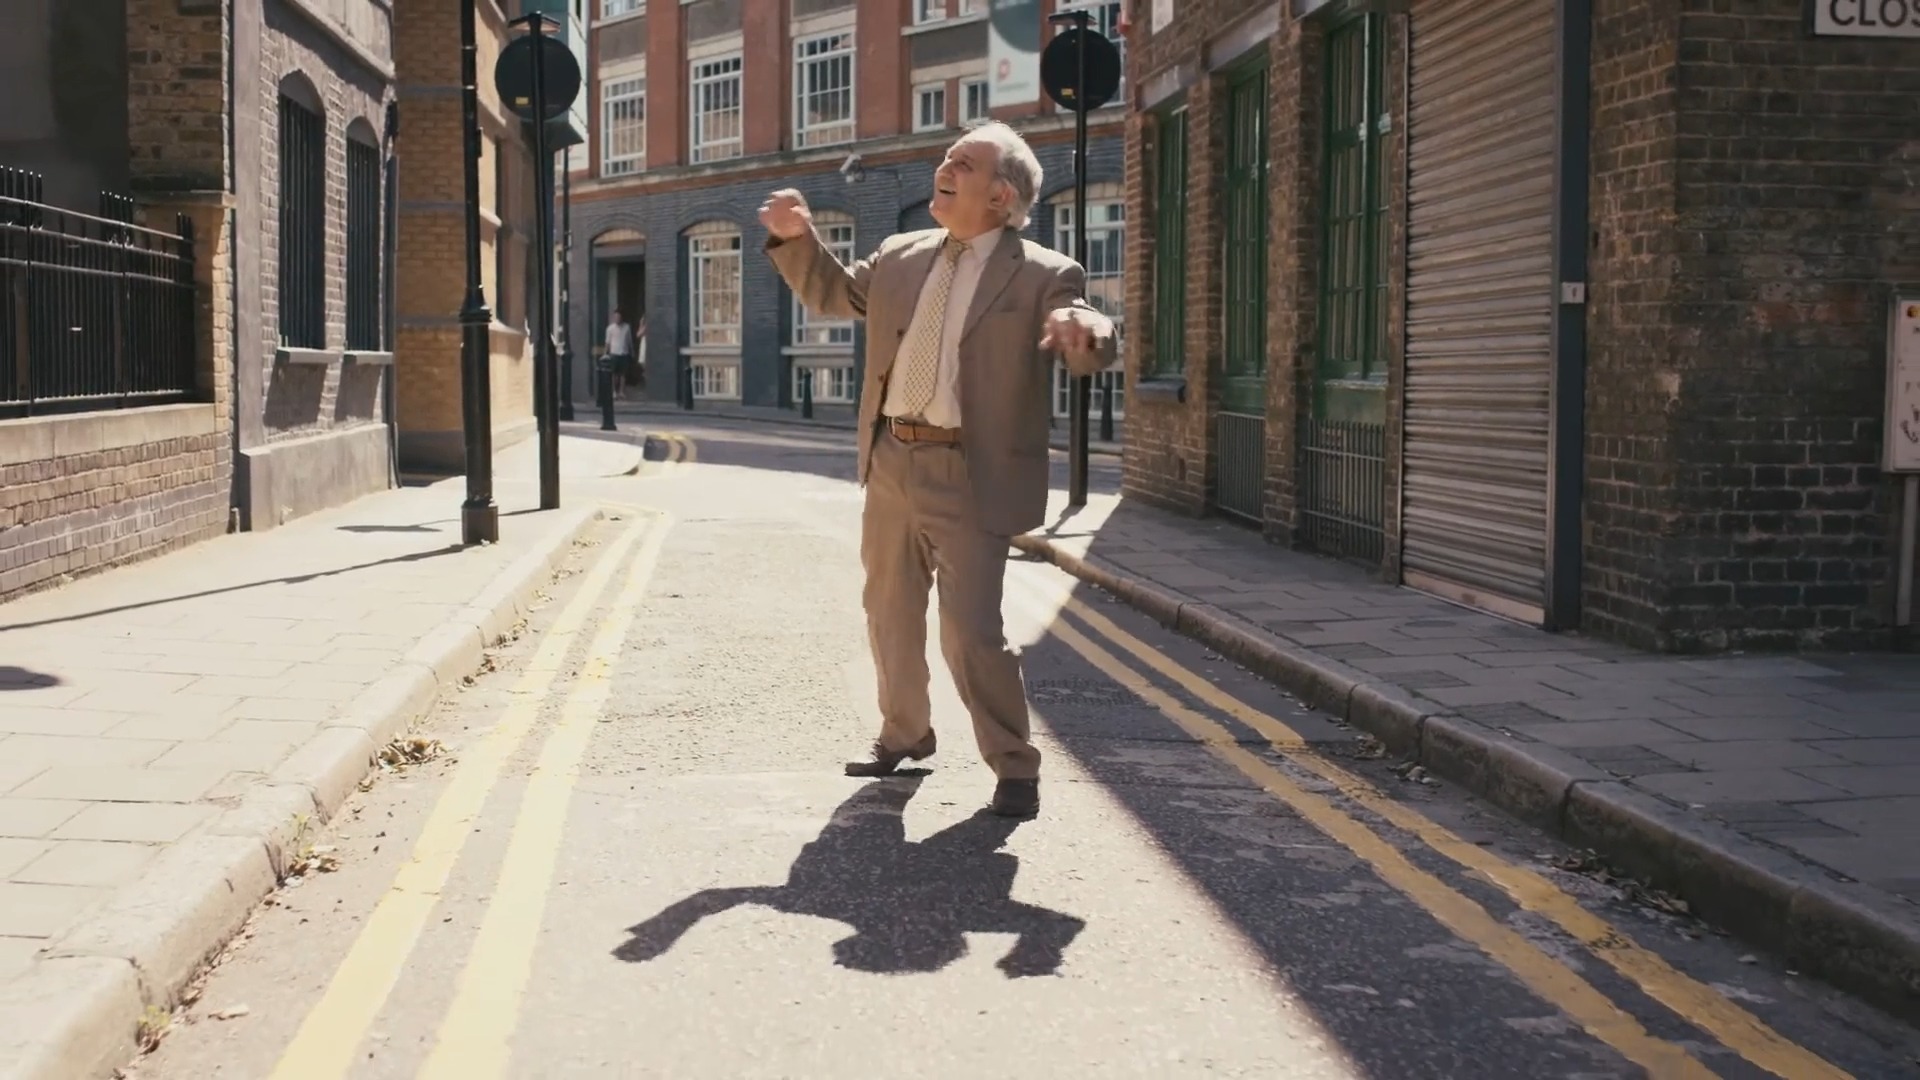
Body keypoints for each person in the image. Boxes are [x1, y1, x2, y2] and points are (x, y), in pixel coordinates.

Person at [759, 121, 1116, 820]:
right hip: (891, 457)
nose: (944, 166)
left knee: (971, 631)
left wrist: (1089, 330)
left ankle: (1014, 764)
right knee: (887, 610)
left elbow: (1080, 327)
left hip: (970, 471)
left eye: (964, 162)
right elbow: (834, 295)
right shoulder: (899, 255)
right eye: (948, 157)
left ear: (1000, 195)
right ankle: (905, 734)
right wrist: (797, 240)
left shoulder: (1043, 271)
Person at [604, 309, 634, 399]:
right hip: (614, 353)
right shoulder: (610, 328)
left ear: (621, 318)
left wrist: (632, 351)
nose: (617, 318)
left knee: (623, 374)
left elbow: (629, 341)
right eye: (616, 317)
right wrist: (605, 354)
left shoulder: (626, 327)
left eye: (619, 317)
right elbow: (607, 342)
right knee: (614, 374)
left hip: (624, 353)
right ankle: (614, 391)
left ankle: (621, 392)